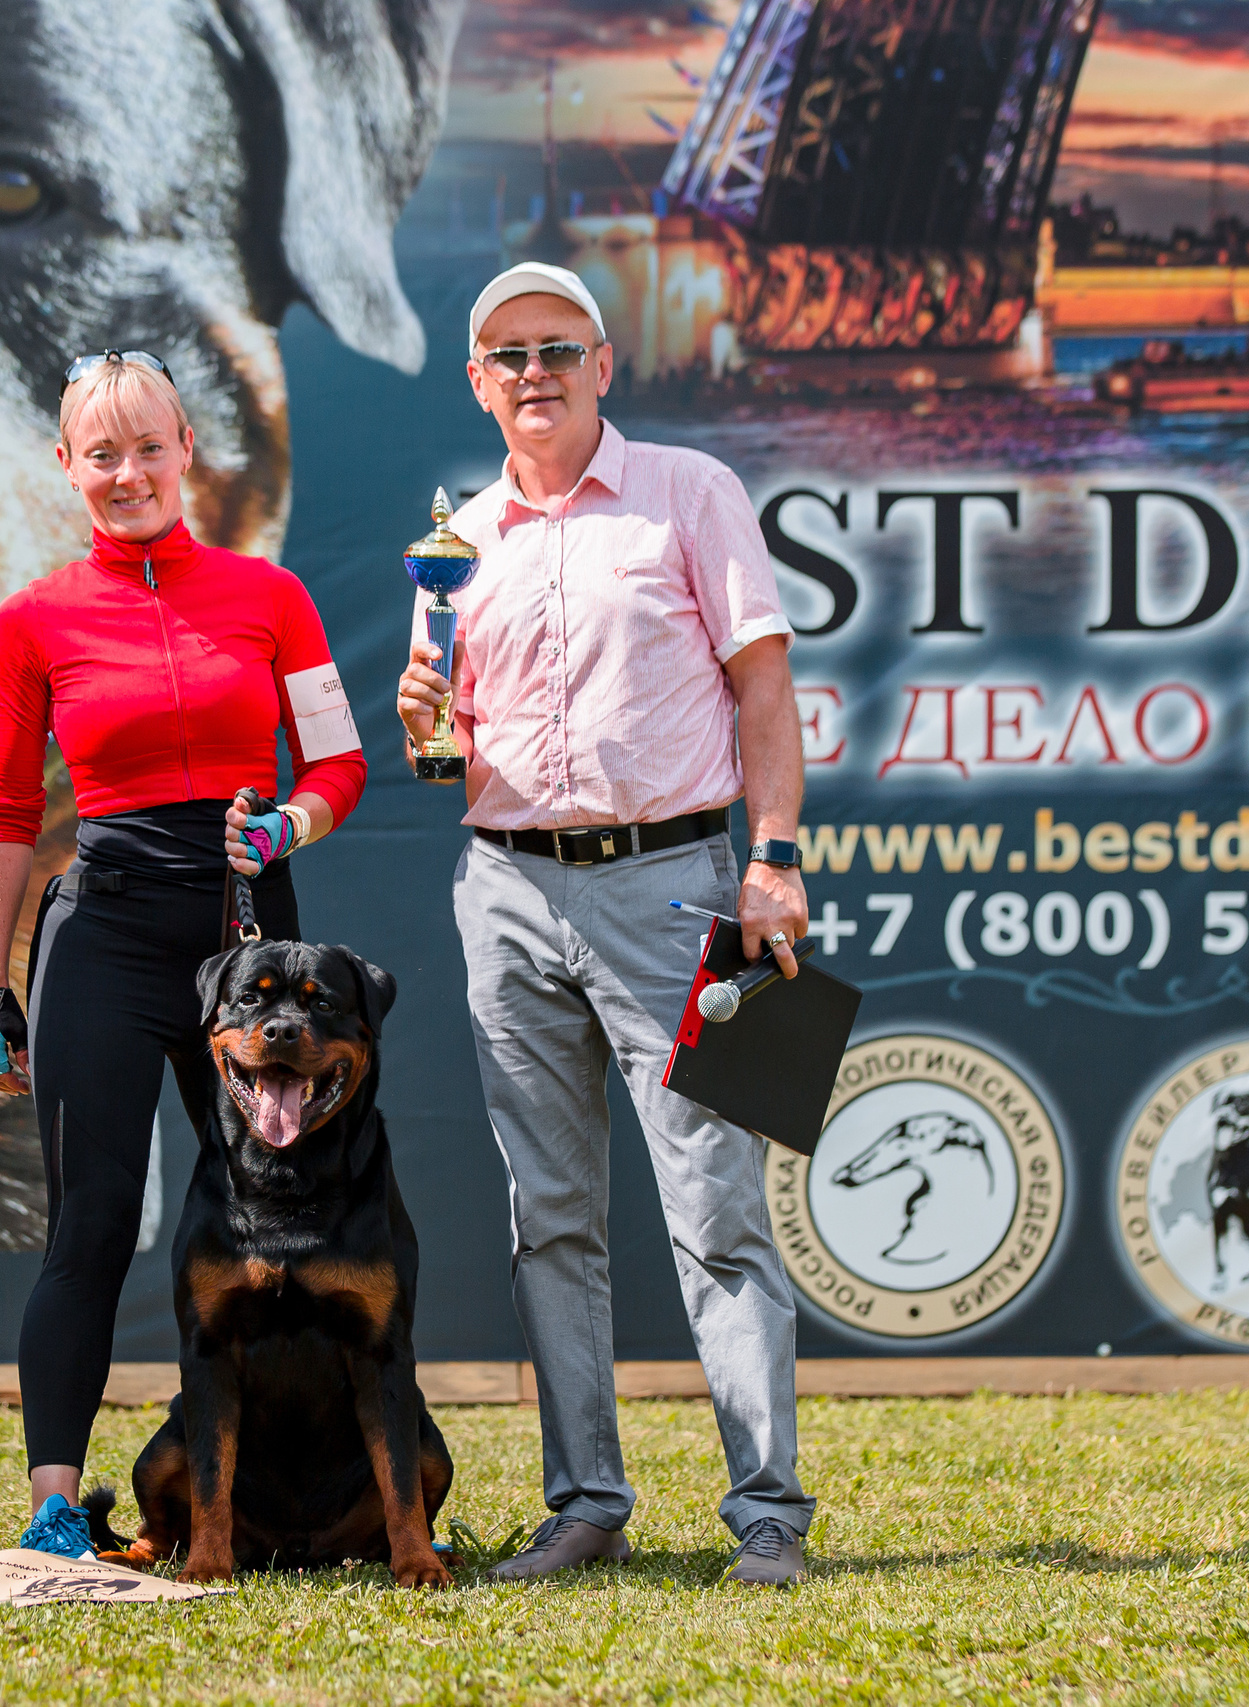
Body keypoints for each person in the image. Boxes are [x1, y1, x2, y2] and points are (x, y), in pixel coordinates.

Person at [395, 262, 816, 1588]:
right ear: (478, 380)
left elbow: (764, 692)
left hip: (678, 881)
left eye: (558, 348)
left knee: (719, 1207)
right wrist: (424, 714)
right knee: (550, 1212)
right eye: (508, 353)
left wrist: (780, 860)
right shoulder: (455, 540)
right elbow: (439, 750)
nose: (535, 373)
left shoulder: (692, 489)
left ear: (603, 364)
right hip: (505, 886)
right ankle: (584, 1501)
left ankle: (767, 1513)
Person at [0, 352, 368, 1556]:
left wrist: (286, 824)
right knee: (88, 1224)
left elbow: (341, 765)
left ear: (189, 450)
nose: (129, 473)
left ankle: (295, 1493)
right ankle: (54, 1505)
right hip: (107, 934)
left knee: (278, 1223)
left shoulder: (272, 594)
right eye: (103, 454)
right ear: (67, 467)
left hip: (251, 939)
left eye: (150, 447)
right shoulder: (31, 618)